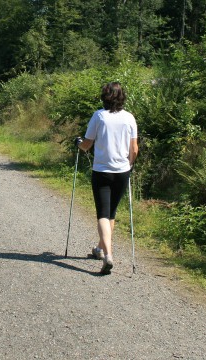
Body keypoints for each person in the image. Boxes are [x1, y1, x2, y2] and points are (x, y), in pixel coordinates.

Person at [74, 82, 138, 275]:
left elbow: (86, 145)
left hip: (102, 170)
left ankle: (108, 255)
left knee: (103, 213)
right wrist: (130, 164)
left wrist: (79, 144)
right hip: (122, 170)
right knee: (111, 213)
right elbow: (134, 149)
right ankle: (100, 249)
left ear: (105, 97)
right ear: (122, 97)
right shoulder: (129, 118)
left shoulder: (99, 116)